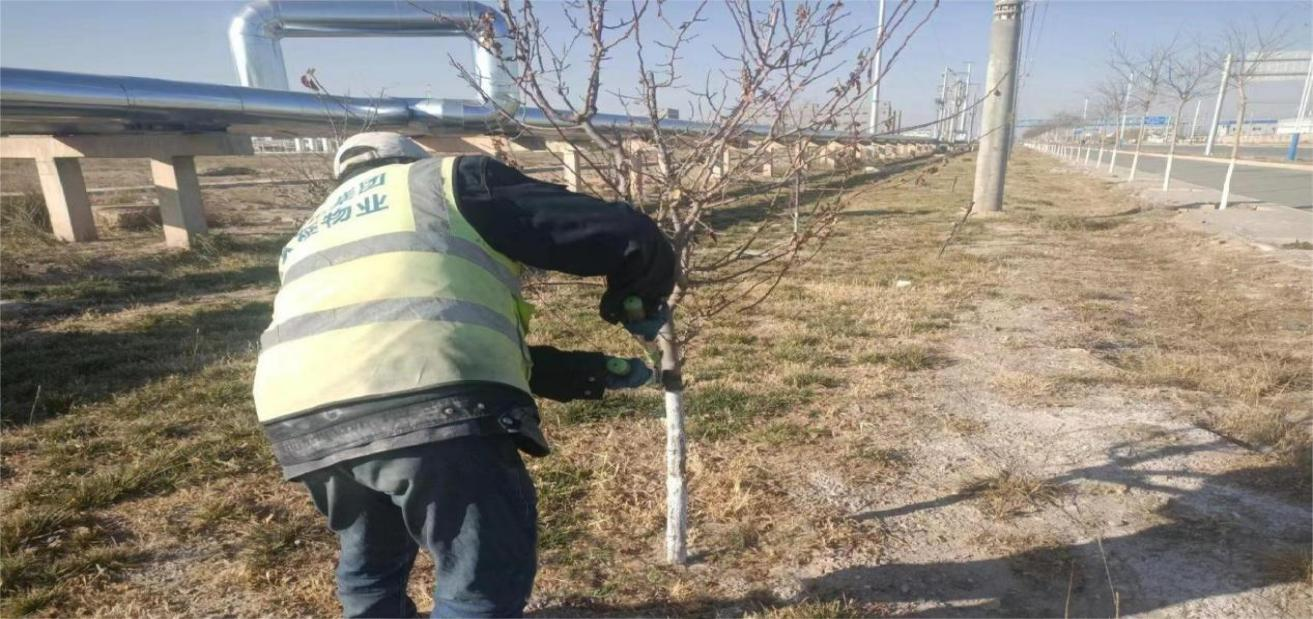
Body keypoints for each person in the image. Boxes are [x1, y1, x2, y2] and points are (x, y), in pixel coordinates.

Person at [251, 132, 675, 618]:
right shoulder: (447, 180)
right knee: (480, 579)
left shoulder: (308, 233)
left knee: (372, 565)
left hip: (296, 416)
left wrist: (585, 372)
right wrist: (637, 297)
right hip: (431, 410)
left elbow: (390, 338)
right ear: (412, 159)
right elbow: (625, 233)